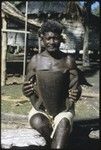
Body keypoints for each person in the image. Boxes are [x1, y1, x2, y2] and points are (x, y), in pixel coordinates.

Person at [22, 20, 89, 149]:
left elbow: (75, 86)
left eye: (55, 38)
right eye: (48, 38)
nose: (52, 42)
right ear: (42, 39)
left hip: (63, 110)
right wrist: (26, 91)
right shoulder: (35, 60)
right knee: (38, 122)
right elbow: (27, 86)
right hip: (40, 109)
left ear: (61, 39)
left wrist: (77, 93)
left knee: (63, 124)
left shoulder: (68, 61)